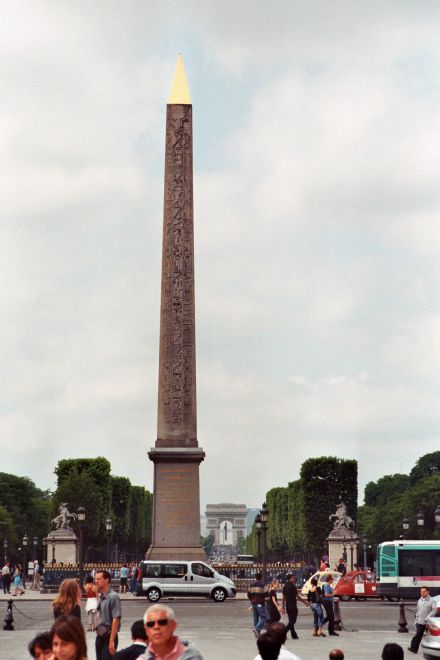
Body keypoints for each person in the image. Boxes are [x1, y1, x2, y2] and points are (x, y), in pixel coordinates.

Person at [139, 603, 203, 659]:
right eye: (150, 624)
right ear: (146, 629)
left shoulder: (192, 657)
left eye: (162, 622)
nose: (156, 627)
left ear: (173, 625)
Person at [96, 568, 122, 659]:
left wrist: (111, 641)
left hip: (109, 636)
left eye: (99, 579)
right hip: (100, 635)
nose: (96, 581)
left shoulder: (113, 597)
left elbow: (116, 619)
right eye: (96, 579)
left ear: (106, 580)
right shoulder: (102, 596)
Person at [408, 585, 436, 654]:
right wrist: (416, 620)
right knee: (418, 635)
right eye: (421, 592)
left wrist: (428, 617)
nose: (422, 593)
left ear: (427, 592)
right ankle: (414, 648)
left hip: (429, 622)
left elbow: (434, 610)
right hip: (420, 621)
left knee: (430, 636)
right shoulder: (419, 600)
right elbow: (418, 611)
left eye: (424, 592)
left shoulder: (432, 600)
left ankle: (433, 649)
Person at [281, 573, 309, 640]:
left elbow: (283, 597)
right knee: (293, 620)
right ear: (290, 578)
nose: (294, 579)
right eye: (293, 578)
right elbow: (298, 597)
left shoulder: (284, 586)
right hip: (293, 605)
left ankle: (294, 634)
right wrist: (305, 602)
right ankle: (283, 633)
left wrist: (283, 606)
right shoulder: (293, 587)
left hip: (288, 605)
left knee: (291, 620)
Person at [248, 571, 269, 637]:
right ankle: (257, 629)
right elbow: (266, 594)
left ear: (256, 577)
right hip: (260, 603)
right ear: (261, 577)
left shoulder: (251, 585)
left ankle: (257, 633)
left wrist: (252, 599)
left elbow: (248, 594)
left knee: (255, 618)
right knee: (263, 617)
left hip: (253, 603)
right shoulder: (263, 585)